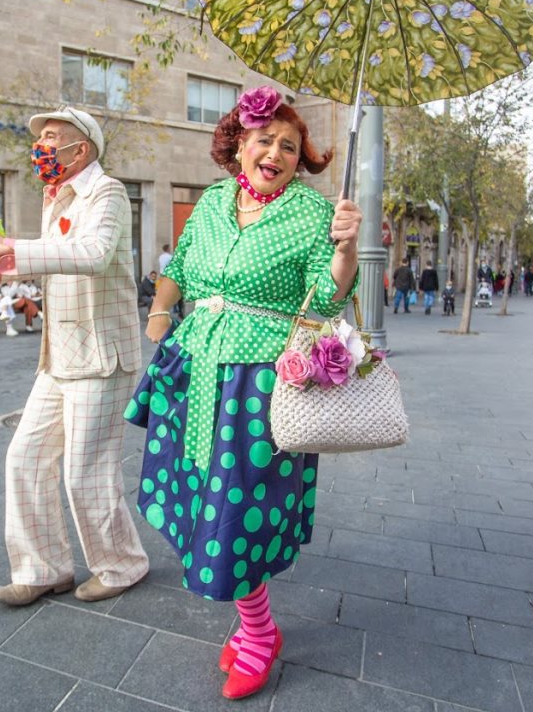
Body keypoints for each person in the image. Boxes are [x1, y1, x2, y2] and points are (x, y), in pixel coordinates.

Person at [129, 86, 362, 701]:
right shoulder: (211, 201)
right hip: (195, 366)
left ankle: (258, 633)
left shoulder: (315, 213)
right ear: (238, 145)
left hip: (258, 383)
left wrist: (344, 249)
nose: (278, 152)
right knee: (203, 500)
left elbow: (330, 295)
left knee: (238, 510)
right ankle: (253, 623)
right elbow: (178, 266)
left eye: (290, 146)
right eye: (266, 140)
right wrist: (158, 314)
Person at [0, 105, 149, 607]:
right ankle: (42, 568)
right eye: (41, 138)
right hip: (59, 355)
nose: (43, 146)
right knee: (24, 458)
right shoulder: (54, 197)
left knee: (85, 471)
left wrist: (9, 246)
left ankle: (121, 565)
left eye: (53, 136)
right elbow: (55, 262)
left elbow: (92, 254)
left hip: (100, 354)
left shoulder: (108, 192)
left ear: (83, 148)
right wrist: (5, 267)